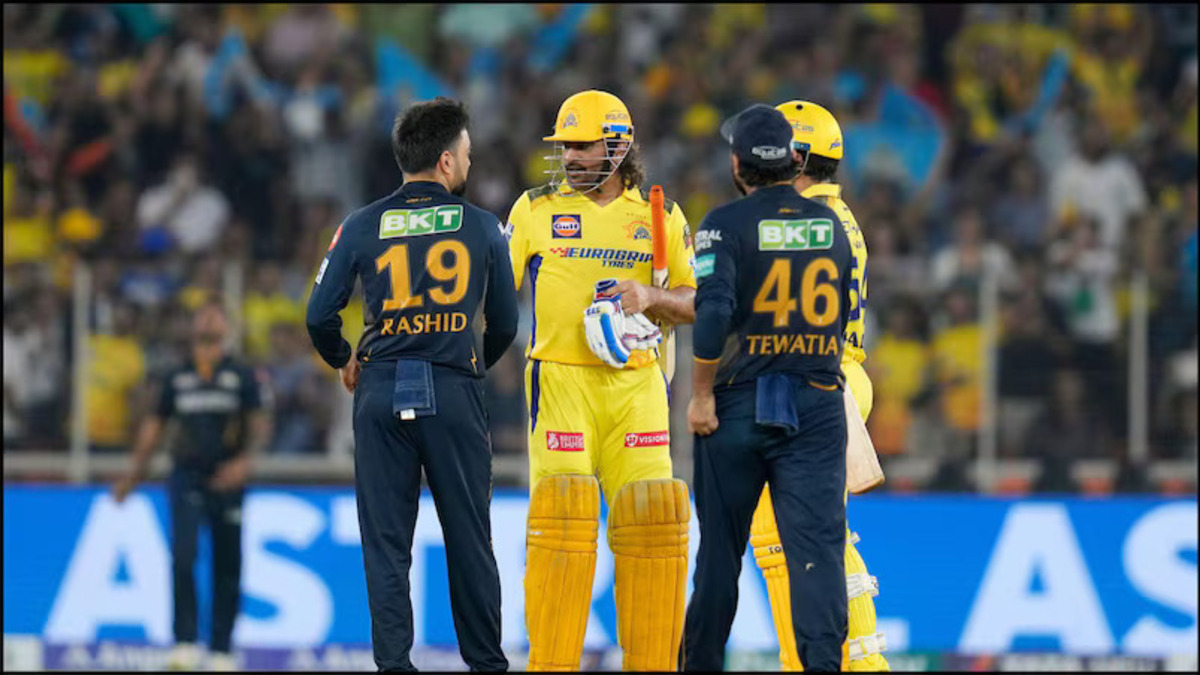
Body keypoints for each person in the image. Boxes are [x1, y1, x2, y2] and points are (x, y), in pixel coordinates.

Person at [305, 97, 517, 672]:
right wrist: (468, 364)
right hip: (453, 391)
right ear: (447, 162)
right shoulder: (483, 227)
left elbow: (318, 315)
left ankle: (394, 667)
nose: (470, 164)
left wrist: (345, 358)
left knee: (386, 546)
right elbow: (506, 323)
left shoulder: (359, 225)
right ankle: (485, 666)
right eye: (467, 155)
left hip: (378, 390)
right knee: (469, 539)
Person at [505, 89, 697, 671]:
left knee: (650, 526)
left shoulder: (660, 216)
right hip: (560, 382)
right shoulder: (534, 209)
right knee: (562, 525)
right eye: (564, 146)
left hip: (636, 387)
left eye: (582, 147)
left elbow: (697, 302)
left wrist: (650, 296)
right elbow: (489, 293)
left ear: (618, 146)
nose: (569, 157)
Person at [683, 104, 853, 672]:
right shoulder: (833, 227)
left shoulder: (723, 225)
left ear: (737, 164)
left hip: (737, 406)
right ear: (795, 160)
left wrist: (702, 393)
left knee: (720, 557)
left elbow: (712, 316)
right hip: (817, 403)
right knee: (818, 554)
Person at [745, 100, 890, 671]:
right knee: (794, 535)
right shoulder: (832, 216)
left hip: (816, 380)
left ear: (797, 157)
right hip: (829, 376)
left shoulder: (806, 222)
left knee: (802, 537)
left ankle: (850, 663)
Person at [112, 303, 271, 672]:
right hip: (185, 474)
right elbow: (154, 427)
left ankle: (221, 649)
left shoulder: (241, 374)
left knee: (227, 562)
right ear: (192, 326)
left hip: (227, 476)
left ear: (227, 326)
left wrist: (244, 463)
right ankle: (184, 642)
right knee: (183, 556)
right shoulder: (176, 376)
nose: (208, 320)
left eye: (216, 314)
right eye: (202, 314)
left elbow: (259, 423)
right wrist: (132, 477)